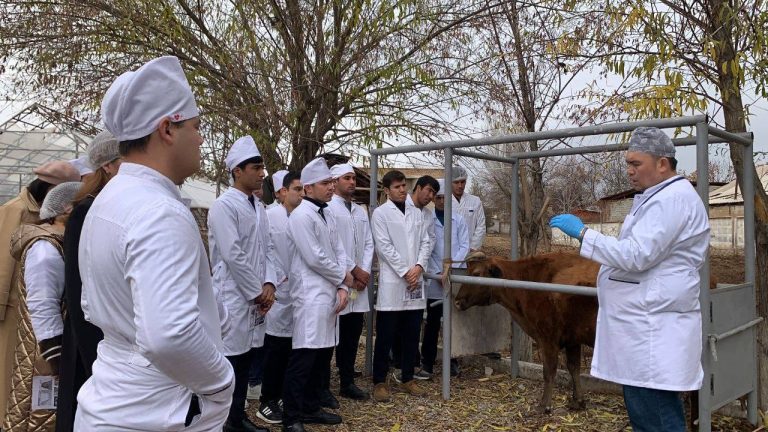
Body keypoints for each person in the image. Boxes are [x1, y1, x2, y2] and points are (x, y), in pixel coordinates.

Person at [75, 56, 234, 430]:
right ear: (167, 129)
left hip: (113, 400)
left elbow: (91, 304)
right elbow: (169, 336)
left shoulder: (109, 200)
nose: (201, 138)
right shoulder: (158, 211)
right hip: (154, 411)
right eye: (196, 127)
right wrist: (220, 382)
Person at [550, 127, 710, 432]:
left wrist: (584, 234)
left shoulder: (672, 200)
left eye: (636, 164)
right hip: (643, 328)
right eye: (628, 164)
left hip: (653, 330)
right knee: (645, 415)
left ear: (662, 163)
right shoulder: (657, 197)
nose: (629, 171)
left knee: (658, 419)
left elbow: (636, 256)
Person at [0, 160, 79, 423]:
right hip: (19, 310)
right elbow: (4, 261)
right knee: (27, 390)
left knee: (27, 388)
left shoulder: (44, 224)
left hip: (29, 309)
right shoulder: (18, 211)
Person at [208, 135, 276, 432]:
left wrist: (270, 283)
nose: (262, 173)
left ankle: (237, 417)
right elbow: (233, 254)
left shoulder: (258, 207)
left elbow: (268, 248)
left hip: (256, 296)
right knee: (231, 361)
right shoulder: (225, 206)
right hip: (234, 296)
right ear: (238, 170)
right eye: (256, 167)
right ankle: (225, 420)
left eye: (262, 167)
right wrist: (256, 292)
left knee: (248, 356)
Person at [282, 158, 354, 432]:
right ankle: (291, 417)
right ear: (309, 188)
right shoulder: (301, 216)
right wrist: (343, 277)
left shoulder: (327, 214)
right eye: (326, 183)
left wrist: (343, 286)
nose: (331, 187)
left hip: (329, 294)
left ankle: (311, 408)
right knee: (304, 358)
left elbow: (339, 251)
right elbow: (315, 257)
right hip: (310, 295)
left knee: (322, 357)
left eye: (332, 182)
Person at [56, 131, 122, 432]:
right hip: (90, 335)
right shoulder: (86, 211)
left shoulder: (113, 206)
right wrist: (94, 357)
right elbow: (76, 285)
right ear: (107, 166)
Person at [371, 170, 432, 402]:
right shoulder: (380, 214)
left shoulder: (416, 213)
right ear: (387, 190)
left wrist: (418, 266)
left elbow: (425, 242)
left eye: (404, 185)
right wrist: (406, 271)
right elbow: (384, 247)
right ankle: (379, 381)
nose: (402, 190)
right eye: (397, 187)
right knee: (386, 335)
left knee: (411, 333)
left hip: (415, 282)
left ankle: (407, 377)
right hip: (394, 282)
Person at [256, 171, 303, 425]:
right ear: (283, 191)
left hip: (295, 292)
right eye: (297, 189)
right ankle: (267, 400)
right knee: (275, 349)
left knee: (290, 350)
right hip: (277, 291)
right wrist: (272, 281)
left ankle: (283, 396)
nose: (301, 193)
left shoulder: (300, 216)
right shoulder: (269, 216)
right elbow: (266, 252)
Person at [327, 163, 374, 400]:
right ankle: (324, 387)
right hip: (341, 280)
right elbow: (333, 246)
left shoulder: (360, 211)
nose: (352, 182)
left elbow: (368, 243)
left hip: (359, 284)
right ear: (334, 182)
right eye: (347, 178)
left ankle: (347, 382)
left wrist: (364, 271)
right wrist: (354, 270)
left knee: (353, 334)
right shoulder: (328, 209)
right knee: (331, 336)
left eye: (354, 178)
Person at [416, 179, 470, 380]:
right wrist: (439, 272)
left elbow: (465, 245)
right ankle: (427, 364)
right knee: (432, 323)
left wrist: (451, 269)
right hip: (435, 277)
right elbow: (426, 248)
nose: (440, 201)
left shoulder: (459, 219)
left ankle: (452, 361)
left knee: (452, 322)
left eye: (443, 197)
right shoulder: (427, 219)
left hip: (454, 276)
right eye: (437, 197)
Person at [452, 166, 486, 252]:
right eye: (456, 182)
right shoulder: (444, 202)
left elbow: (481, 226)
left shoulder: (475, 201)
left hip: (470, 250)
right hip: (450, 251)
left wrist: (473, 247)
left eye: (462, 182)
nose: (460, 186)